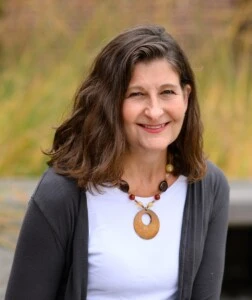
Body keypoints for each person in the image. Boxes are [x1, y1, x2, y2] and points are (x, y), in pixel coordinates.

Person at [5, 25, 230, 300]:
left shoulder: (208, 187)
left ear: (186, 96)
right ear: (109, 103)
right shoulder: (62, 193)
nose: (155, 110)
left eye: (167, 92)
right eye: (137, 94)